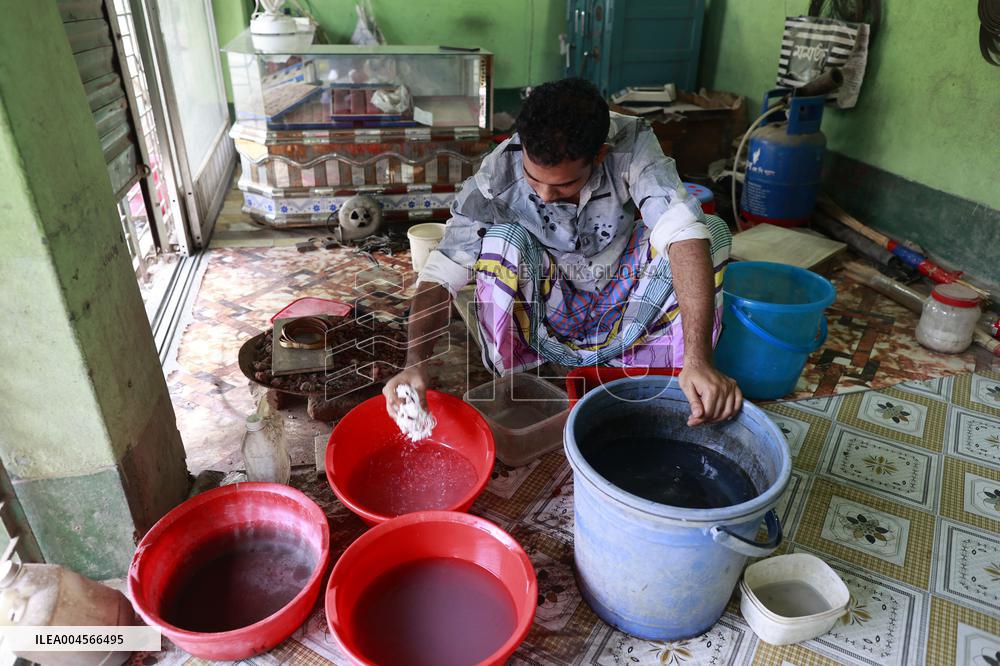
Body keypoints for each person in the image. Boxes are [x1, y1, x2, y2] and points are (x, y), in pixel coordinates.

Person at [385, 78, 742, 425]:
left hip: (622, 299)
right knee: (501, 240)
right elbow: (443, 271)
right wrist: (415, 361)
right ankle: (520, 381)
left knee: (706, 232)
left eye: (564, 184)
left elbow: (681, 227)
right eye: (532, 177)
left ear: (599, 154)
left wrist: (701, 359)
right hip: (549, 312)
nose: (543, 194)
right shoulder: (497, 173)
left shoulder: (630, 144)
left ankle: (678, 377)